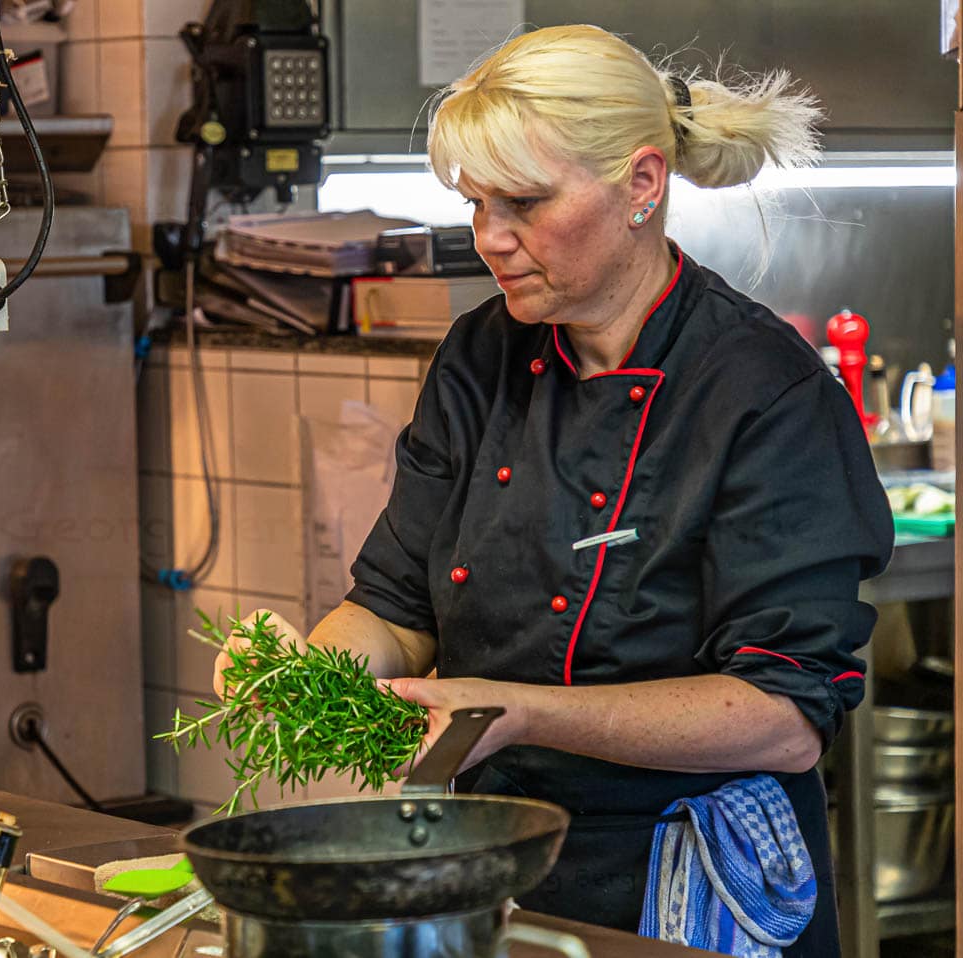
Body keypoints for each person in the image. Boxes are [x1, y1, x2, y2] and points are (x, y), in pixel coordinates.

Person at [213, 24, 892, 956]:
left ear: (641, 185)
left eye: (525, 203)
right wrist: (303, 675)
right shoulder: (481, 355)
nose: (489, 239)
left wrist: (516, 712)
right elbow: (395, 608)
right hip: (499, 866)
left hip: (694, 889)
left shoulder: (764, 392)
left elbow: (783, 719)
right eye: (477, 203)